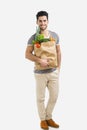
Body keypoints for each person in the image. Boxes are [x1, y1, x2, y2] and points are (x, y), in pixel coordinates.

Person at [25, 11, 61, 129]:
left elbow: (58, 52)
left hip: (53, 72)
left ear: (48, 21)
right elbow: (27, 54)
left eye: (44, 20)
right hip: (40, 73)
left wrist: (58, 68)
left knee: (54, 96)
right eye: (40, 21)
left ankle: (48, 117)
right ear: (37, 22)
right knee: (40, 98)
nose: (42, 23)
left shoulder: (54, 35)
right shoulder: (33, 38)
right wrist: (40, 61)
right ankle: (43, 120)